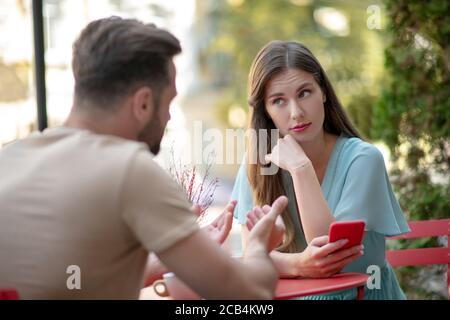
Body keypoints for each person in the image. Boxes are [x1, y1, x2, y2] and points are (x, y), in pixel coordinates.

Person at [0, 17, 286, 300]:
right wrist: (259, 246)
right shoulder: (129, 168)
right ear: (144, 103)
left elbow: (70, 281)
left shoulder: (11, 159)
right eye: (169, 102)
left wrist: (174, 254)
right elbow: (251, 295)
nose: (169, 116)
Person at [231, 40, 411, 299]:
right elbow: (253, 254)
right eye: (279, 101)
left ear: (323, 92)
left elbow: (332, 255)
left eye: (304, 93)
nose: (296, 112)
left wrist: (300, 168)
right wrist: (300, 264)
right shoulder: (258, 162)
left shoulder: (363, 160)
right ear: (266, 111)